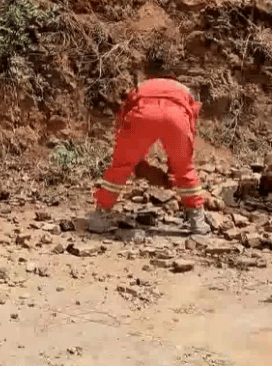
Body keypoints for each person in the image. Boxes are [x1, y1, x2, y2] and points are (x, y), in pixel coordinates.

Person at [88, 57, 209, 235]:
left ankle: (100, 216)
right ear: (173, 76)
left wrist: (136, 162)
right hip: (176, 119)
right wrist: (174, 166)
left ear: (151, 73)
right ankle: (197, 221)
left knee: (120, 167)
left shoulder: (141, 86)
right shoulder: (184, 89)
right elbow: (191, 119)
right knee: (185, 169)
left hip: (142, 115)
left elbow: (124, 119)